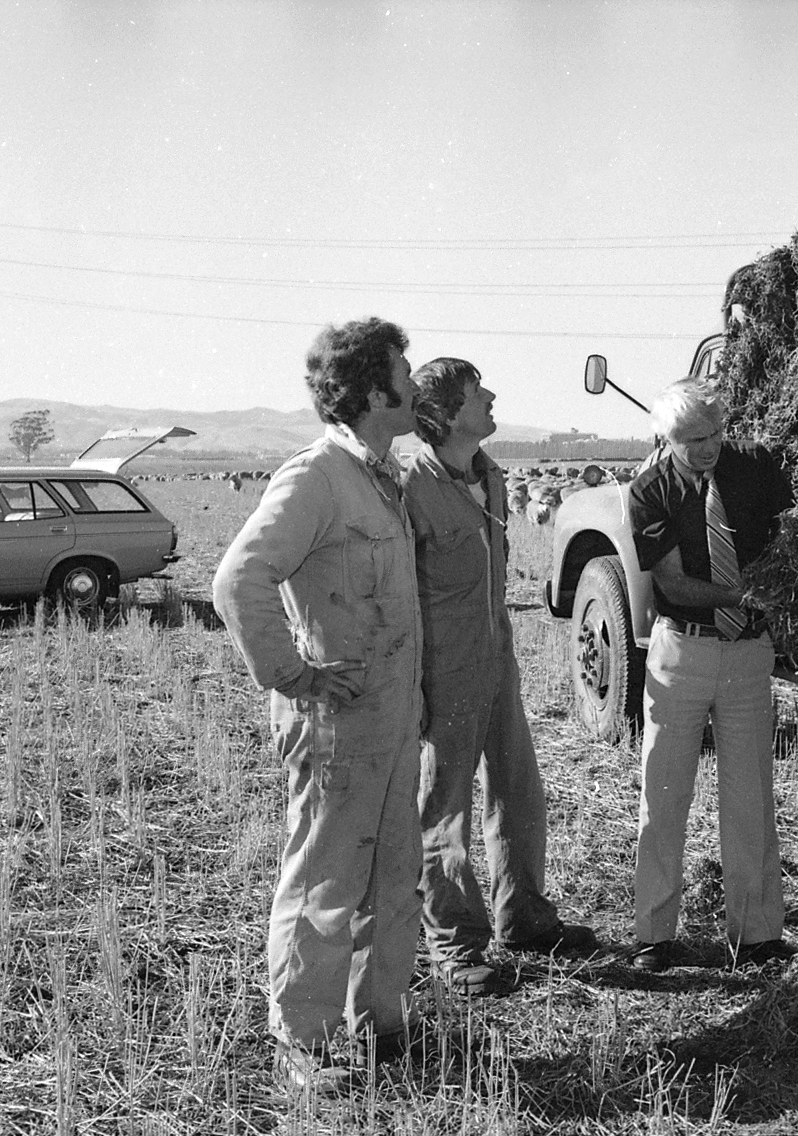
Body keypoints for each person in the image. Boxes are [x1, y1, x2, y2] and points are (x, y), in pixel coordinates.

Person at [212, 318, 425, 1096]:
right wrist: (292, 675)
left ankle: (379, 1023)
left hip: (390, 719)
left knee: (392, 875)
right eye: (404, 369)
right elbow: (238, 580)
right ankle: (302, 1041)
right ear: (373, 390)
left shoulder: (379, 475)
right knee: (324, 882)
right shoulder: (317, 478)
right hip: (338, 725)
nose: (415, 381)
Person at [402, 357, 599, 996]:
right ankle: (455, 947)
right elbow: (400, 596)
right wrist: (413, 684)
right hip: (443, 672)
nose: (490, 397)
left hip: (497, 662)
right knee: (445, 811)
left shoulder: (488, 475)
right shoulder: (411, 488)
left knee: (518, 793)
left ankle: (524, 918)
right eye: (476, 392)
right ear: (443, 414)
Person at [626, 377, 795, 973]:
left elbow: (791, 534)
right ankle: (654, 936)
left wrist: (784, 583)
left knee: (750, 793)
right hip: (684, 651)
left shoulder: (755, 467)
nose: (708, 447)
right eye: (693, 440)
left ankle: (757, 934)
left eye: (716, 433)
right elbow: (673, 583)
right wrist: (745, 595)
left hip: (748, 652)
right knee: (664, 792)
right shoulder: (649, 490)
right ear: (666, 439)